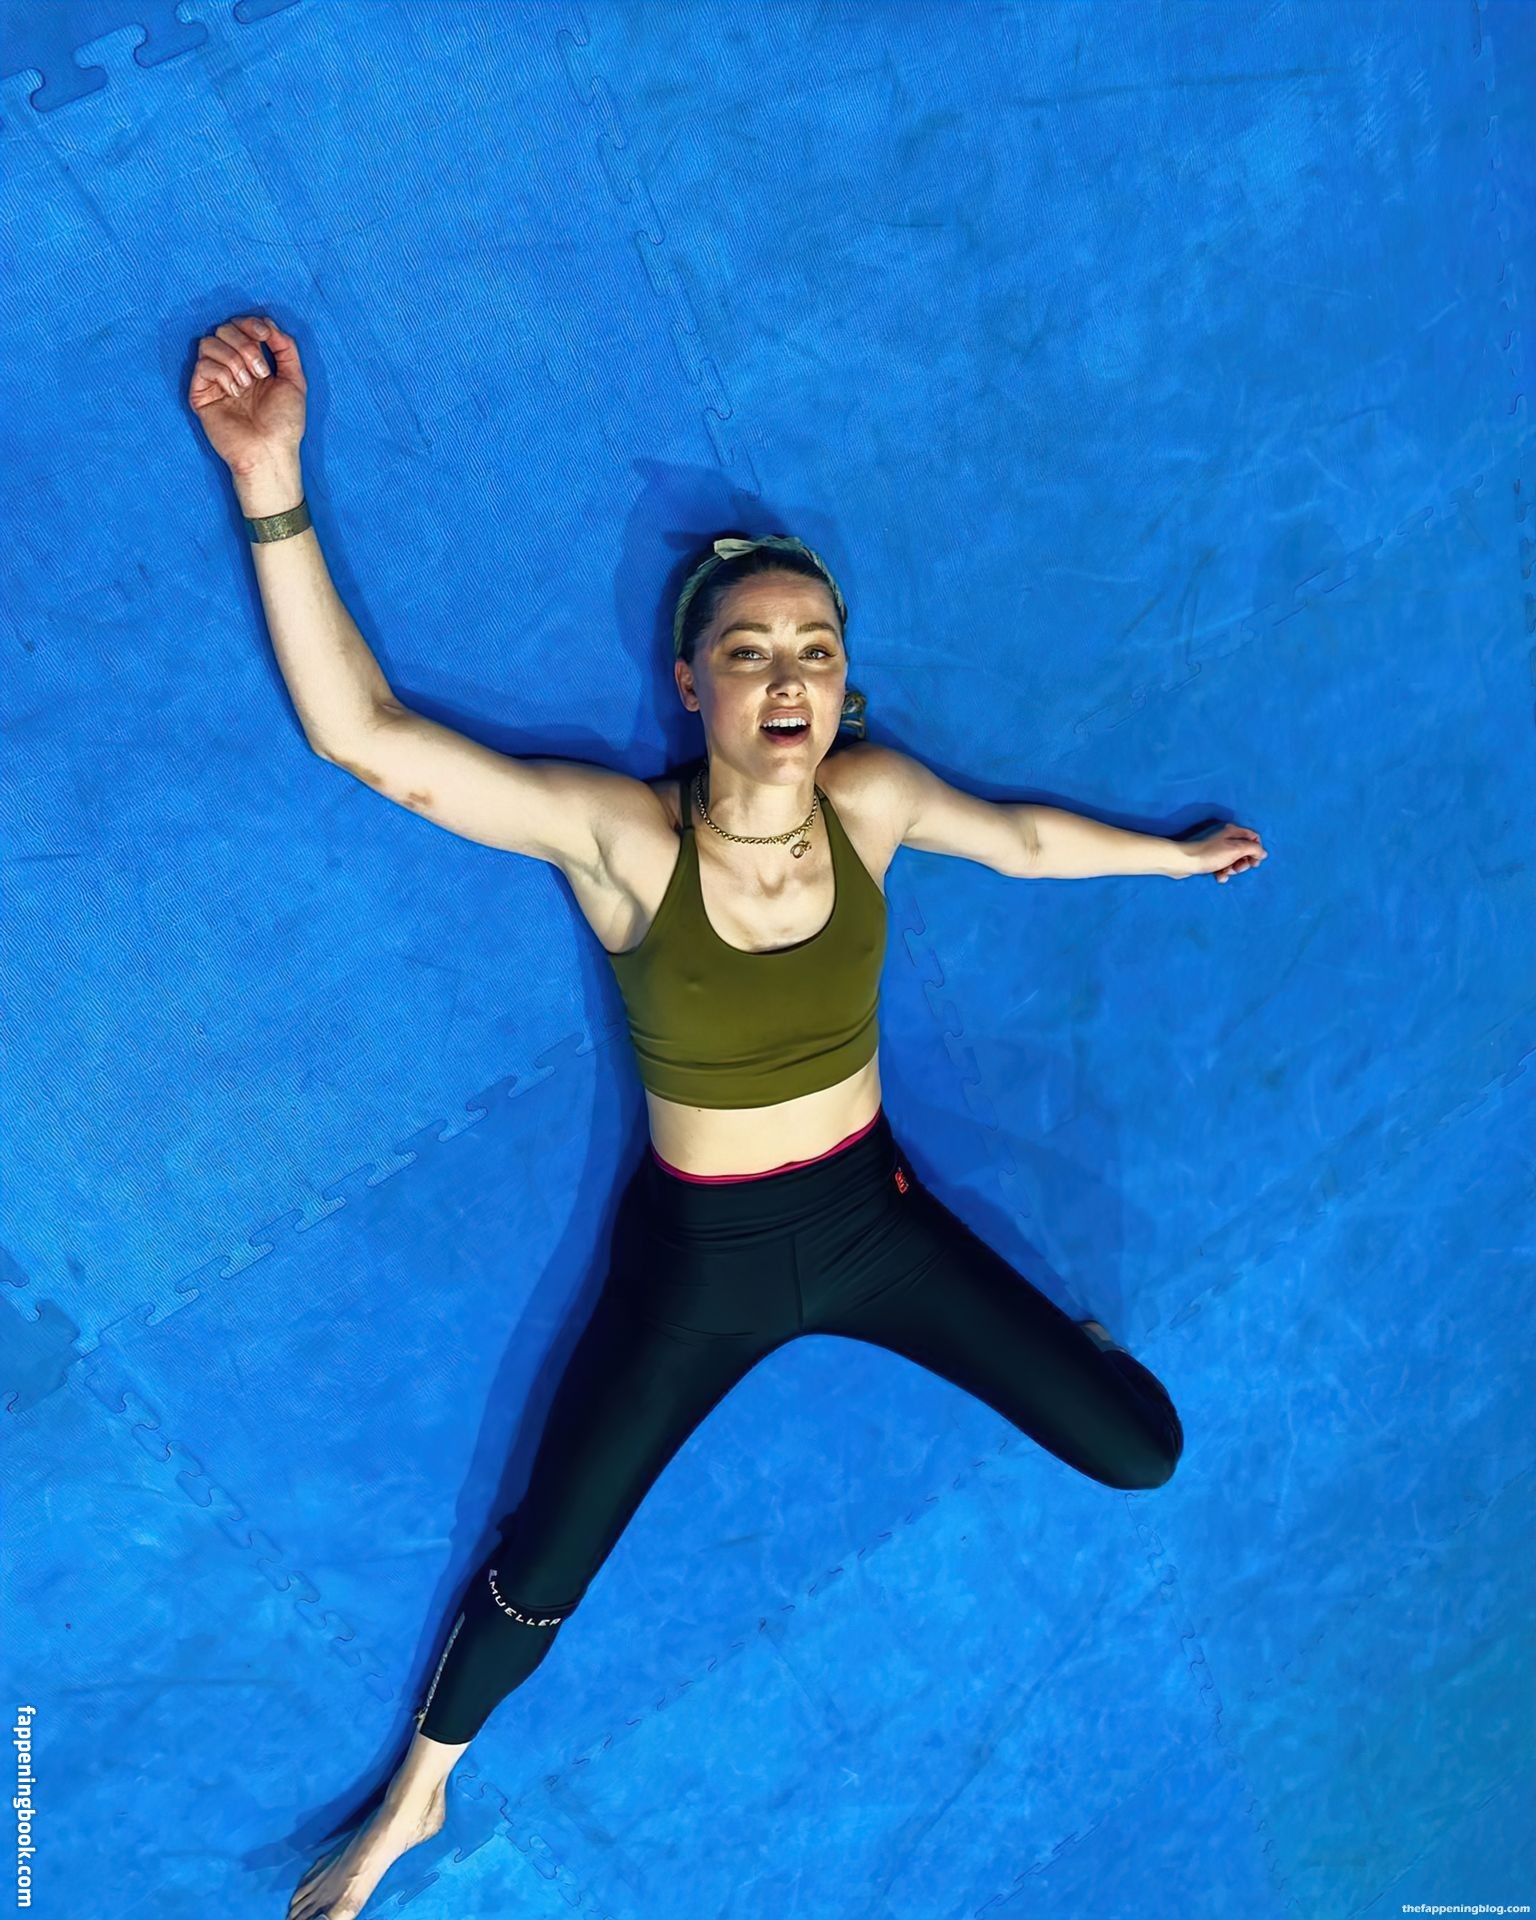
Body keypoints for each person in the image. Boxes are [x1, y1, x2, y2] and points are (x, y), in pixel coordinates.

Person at [187, 315, 1265, 1920]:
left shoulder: (875, 802)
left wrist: (1172, 857)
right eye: (751, 651)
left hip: (874, 1223)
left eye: (816, 649)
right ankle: (415, 1802)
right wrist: (271, 480)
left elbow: (1025, 843)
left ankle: (1078, 1343)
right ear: (692, 683)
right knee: (542, 1564)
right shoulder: (626, 842)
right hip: (700, 1265)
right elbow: (370, 740)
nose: (790, 677)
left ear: (845, 684)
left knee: (1145, 1450)